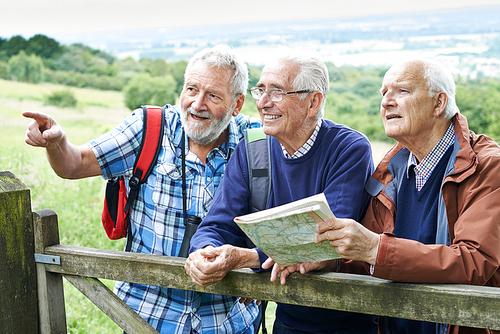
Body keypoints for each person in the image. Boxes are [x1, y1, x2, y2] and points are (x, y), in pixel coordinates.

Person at [23, 44, 263, 334]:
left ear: (237, 105)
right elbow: (75, 164)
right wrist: (57, 142)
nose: (197, 104)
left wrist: (254, 261)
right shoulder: (150, 127)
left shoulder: (257, 143)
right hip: (147, 317)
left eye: (213, 96)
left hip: (227, 321)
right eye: (191, 89)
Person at [185, 50, 378, 333]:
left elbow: (325, 244)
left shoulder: (349, 149)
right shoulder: (251, 150)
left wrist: (246, 258)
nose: (262, 103)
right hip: (287, 319)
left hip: (349, 319)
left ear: (313, 102)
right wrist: (207, 252)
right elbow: (216, 224)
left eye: (276, 92)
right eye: (260, 90)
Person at [309, 58, 500, 334]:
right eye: (383, 93)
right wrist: (332, 261)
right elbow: (367, 258)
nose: (387, 101)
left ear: (439, 103)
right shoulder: (388, 172)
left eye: (402, 91)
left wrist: (376, 248)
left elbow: (474, 260)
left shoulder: (487, 167)